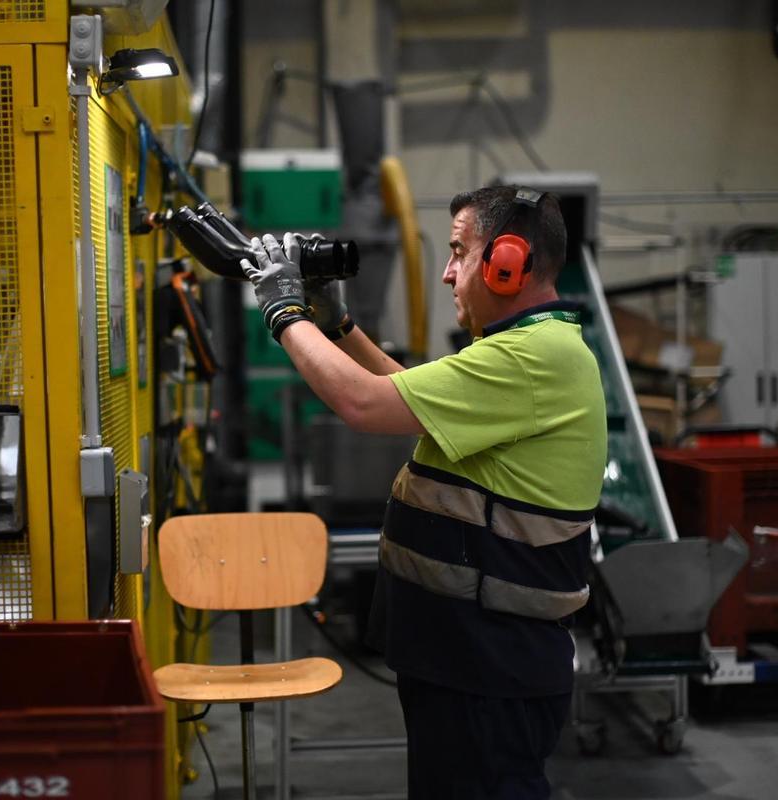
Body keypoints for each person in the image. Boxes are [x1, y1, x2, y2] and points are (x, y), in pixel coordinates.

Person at [241, 185, 607, 799]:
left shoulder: (528, 357)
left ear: (507, 261)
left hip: (490, 660)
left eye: (459, 252)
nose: (446, 272)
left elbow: (363, 403)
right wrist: (340, 327)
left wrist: (284, 313)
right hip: (472, 655)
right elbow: (414, 394)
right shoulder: (529, 350)